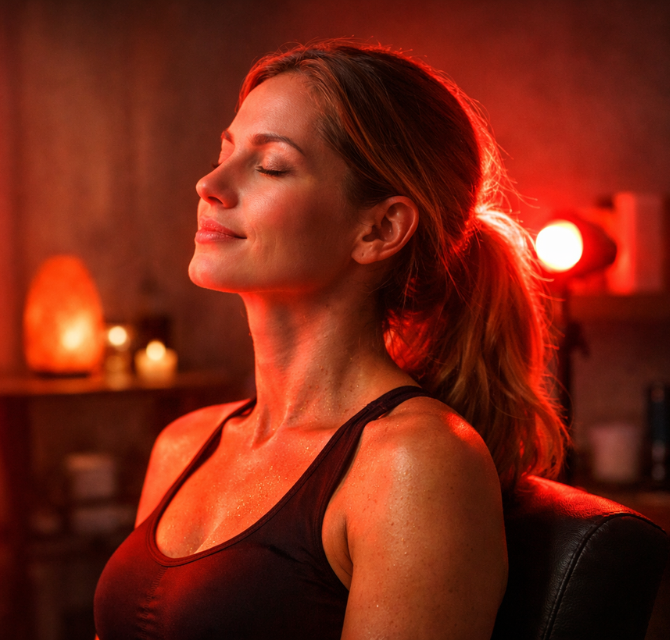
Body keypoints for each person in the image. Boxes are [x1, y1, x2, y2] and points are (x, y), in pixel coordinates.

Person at [93, 40, 567, 639]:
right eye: (226, 151)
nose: (209, 183)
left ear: (379, 228)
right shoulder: (182, 446)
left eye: (271, 167)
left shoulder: (415, 464)